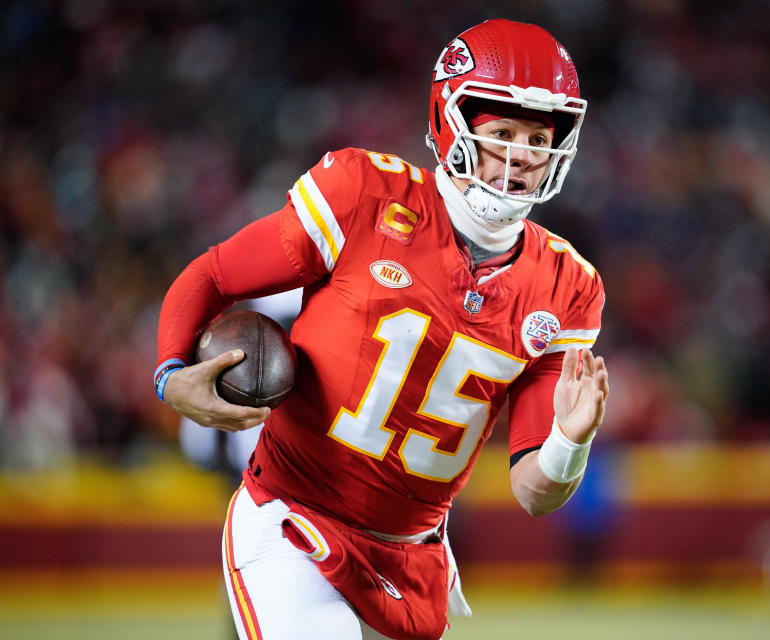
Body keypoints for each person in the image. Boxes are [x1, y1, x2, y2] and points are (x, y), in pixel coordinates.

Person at [154, 19, 609, 640]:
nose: (524, 155)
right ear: (454, 126)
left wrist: (571, 442)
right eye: (503, 132)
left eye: (538, 136)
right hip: (295, 516)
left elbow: (535, 492)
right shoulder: (363, 196)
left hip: (416, 557)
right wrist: (172, 374)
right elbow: (211, 274)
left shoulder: (566, 286)